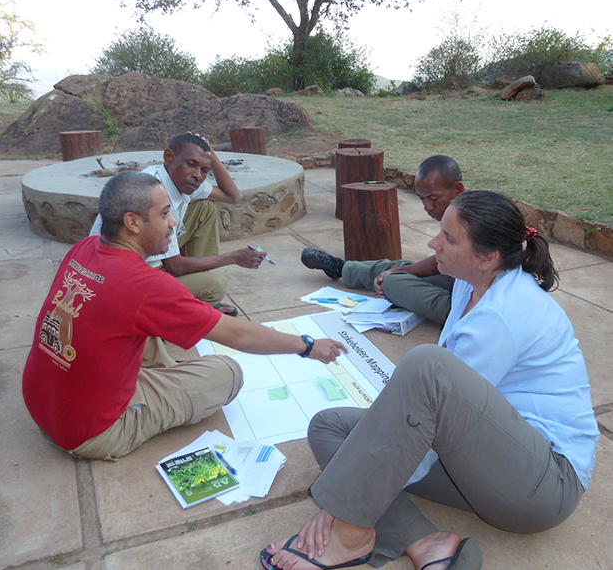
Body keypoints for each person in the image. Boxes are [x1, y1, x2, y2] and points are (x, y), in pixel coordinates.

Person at [261, 190, 598, 570]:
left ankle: (352, 534)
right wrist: (354, 484)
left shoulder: (503, 314)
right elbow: (424, 421)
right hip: (481, 460)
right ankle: (427, 544)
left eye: (449, 239)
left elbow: (431, 409)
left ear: (487, 257)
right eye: (441, 231)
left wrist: (347, 504)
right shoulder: (469, 286)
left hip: (542, 483)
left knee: (425, 367)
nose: (433, 243)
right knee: (329, 427)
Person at [23, 171, 345, 461]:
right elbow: (239, 336)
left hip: (43, 404)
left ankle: (159, 376)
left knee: (138, 328)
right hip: (89, 431)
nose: (174, 222)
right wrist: (306, 345)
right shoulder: (148, 286)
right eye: (165, 214)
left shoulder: (85, 247)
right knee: (227, 373)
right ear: (133, 223)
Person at [91, 132, 264, 316]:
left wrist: (210, 153)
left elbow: (233, 196)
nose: (197, 175)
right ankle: (182, 308)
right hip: (125, 279)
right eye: (191, 164)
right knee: (216, 285)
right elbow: (175, 266)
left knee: (204, 208)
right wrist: (235, 257)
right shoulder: (156, 193)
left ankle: (191, 297)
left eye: (204, 170)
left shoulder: (181, 179)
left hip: (145, 260)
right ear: (168, 157)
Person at [301, 155, 464, 324]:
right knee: (395, 267)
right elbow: (440, 262)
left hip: (465, 307)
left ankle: (390, 282)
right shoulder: (456, 214)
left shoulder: (474, 223)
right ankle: (341, 268)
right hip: (456, 282)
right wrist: (400, 270)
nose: (427, 207)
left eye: (433, 198)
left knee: (391, 282)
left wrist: (398, 274)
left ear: (458, 189)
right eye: (421, 199)